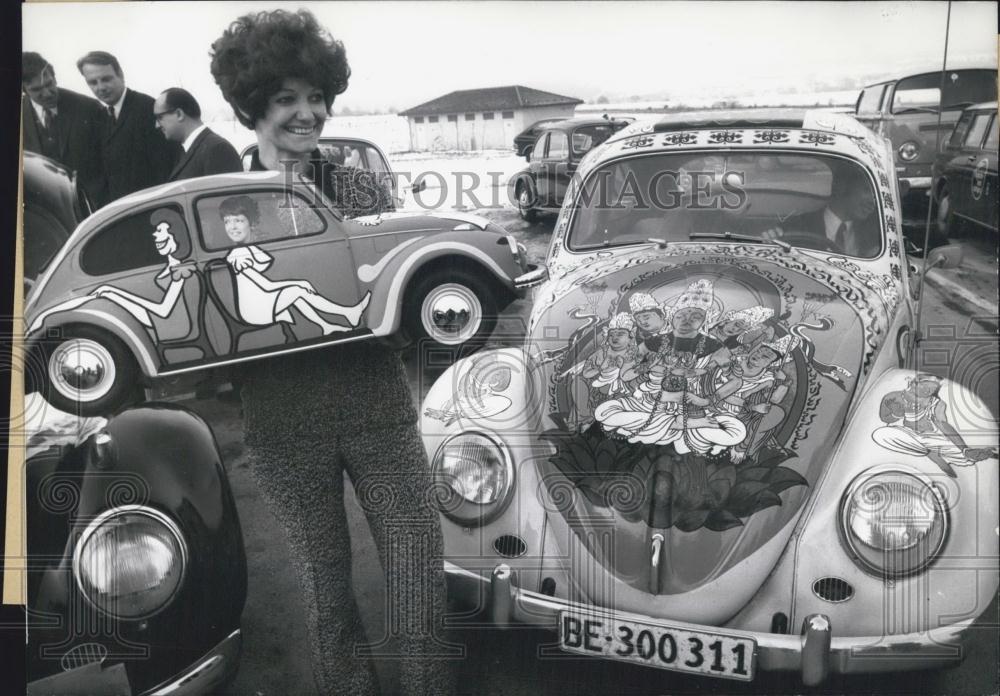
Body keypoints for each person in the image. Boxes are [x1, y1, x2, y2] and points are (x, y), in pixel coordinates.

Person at [210, 10, 451, 696]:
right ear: (251, 107)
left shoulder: (360, 189)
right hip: (282, 424)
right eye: (287, 98)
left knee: (417, 575)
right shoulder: (217, 207)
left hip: (378, 407)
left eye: (316, 96)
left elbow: (405, 298)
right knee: (324, 589)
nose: (307, 113)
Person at [218, 194, 370, 334]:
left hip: (261, 302)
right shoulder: (237, 255)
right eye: (227, 222)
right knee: (298, 291)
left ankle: (326, 326)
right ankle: (347, 313)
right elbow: (266, 285)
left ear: (250, 222)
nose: (232, 227)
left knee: (296, 295)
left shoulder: (248, 247)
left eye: (238, 220)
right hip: (255, 310)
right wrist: (300, 282)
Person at [77, 51, 181, 205]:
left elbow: (166, 168)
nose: (101, 87)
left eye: (106, 79)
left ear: (121, 75)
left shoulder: (149, 109)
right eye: (93, 82)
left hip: (152, 209)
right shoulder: (99, 116)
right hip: (121, 213)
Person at [21, 52, 107, 205]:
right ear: (23, 90)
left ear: (54, 77)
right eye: (36, 89)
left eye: (49, 84)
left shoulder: (90, 108)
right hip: (43, 211)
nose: (47, 93)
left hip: (92, 205)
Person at [762, 160, 880, 257]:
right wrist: (769, 241)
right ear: (842, 186)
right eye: (867, 191)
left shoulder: (875, 235)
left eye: (876, 195)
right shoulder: (795, 227)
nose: (873, 201)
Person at [153, 88, 242, 181]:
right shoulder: (188, 150)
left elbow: (224, 194)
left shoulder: (218, 150)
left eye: (160, 117)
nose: (157, 125)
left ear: (179, 114)